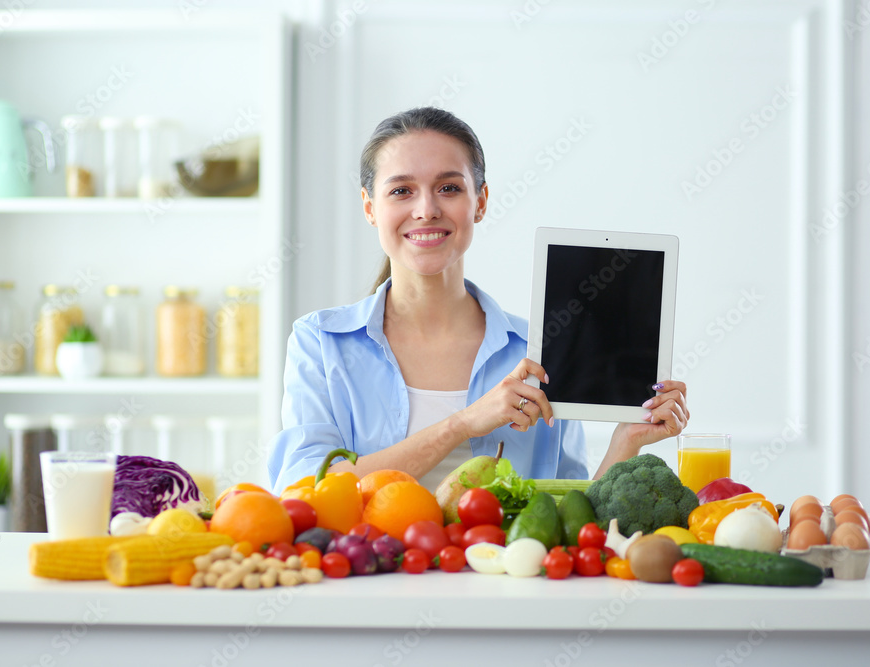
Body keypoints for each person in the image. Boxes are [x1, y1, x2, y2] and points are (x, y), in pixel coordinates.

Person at [267, 107, 689, 494]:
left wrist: (625, 442)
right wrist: (462, 424)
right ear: (369, 207)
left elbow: (569, 524)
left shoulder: (539, 351)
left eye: (448, 187)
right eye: (401, 191)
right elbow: (305, 490)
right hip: (372, 576)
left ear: (480, 202)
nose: (426, 209)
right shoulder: (321, 342)